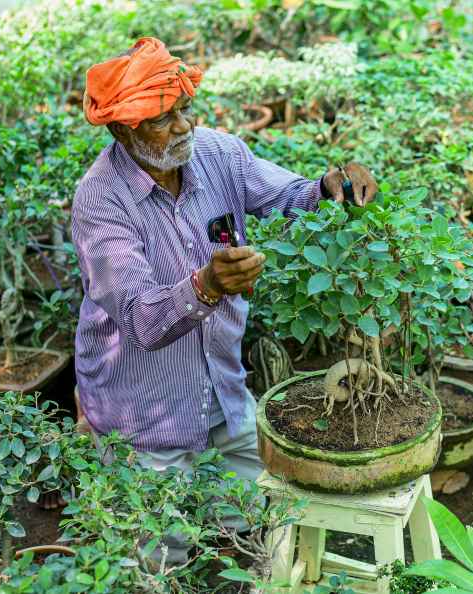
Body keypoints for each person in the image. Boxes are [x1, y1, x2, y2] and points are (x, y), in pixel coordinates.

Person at [63, 37, 377, 506]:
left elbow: (291, 198)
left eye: (186, 109)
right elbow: (141, 319)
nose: (183, 126)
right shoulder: (101, 201)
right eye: (161, 120)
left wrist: (331, 187)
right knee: (159, 556)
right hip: (144, 419)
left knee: (255, 518)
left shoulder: (219, 154)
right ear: (123, 132)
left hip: (225, 395)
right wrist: (206, 285)